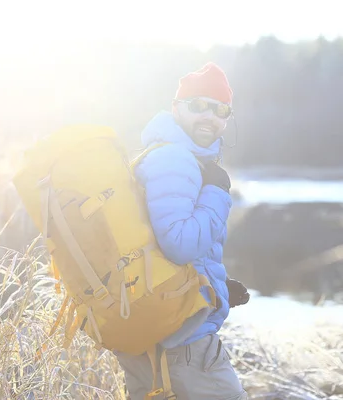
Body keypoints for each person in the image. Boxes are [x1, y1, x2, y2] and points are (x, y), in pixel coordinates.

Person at [114, 62, 250, 400]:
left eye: (221, 110)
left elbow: (157, 242)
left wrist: (216, 287)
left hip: (159, 332)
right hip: (185, 342)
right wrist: (218, 193)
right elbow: (178, 243)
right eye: (199, 105)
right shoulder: (175, 159)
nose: (210, 116)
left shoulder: (167, 156)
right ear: (177, 108)